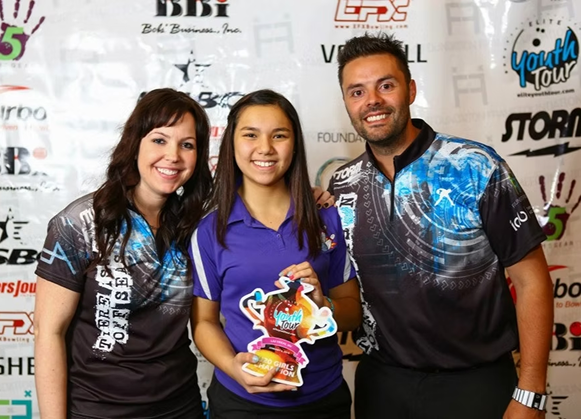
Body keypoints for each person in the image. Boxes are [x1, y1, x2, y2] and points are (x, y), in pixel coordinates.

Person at [328, 33, 554, 419]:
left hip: (476, 385)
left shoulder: (476, 166)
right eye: (357, 92)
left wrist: (531, 390)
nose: (372, 101)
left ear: (411, 90)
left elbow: (532, 280)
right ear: (347, 103)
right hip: (382, 387)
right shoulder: (341, 185)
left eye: (386, 85)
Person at [33, 88, 212, 419]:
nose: (173, 155)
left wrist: (305, 197)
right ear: (135, 144)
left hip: (180, 406)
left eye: (187, 145)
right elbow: (48, 333)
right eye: (159, 140)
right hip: (97, 409)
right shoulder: (80, 223)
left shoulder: (198, 226)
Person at [190, 89, 362, 419]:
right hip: (241, 404)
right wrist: (234, 367)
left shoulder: (327, 218)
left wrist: (322, 306)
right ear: (231, 144)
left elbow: (353, 314)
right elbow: (204, 322)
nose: (265, 148)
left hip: (323, 399)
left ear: (294, 144)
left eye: (279, 135)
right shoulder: (210, 231)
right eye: (250, 135)